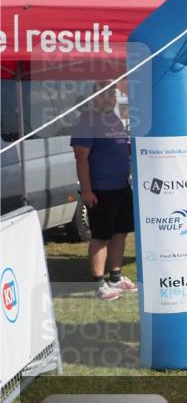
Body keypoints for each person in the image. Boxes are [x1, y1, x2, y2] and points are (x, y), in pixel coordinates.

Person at [70, 82, 137, 301]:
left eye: (112, 94)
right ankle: (99, 283)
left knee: (120, 233)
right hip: (101, 189)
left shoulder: (115, 119)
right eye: (103, 94)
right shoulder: (85, 121)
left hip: (121, 187)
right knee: (101, 236)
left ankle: (115, 277)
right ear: (93, 98)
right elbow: (81, 158)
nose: (108, 98)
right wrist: (87, 191)